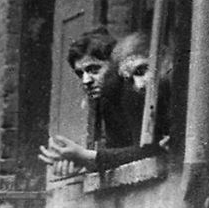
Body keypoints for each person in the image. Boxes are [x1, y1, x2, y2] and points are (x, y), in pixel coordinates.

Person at [40, 31, 171, 174]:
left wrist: (88, 156)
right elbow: (120, 153)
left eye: (94, 70)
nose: (86, 81)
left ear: (115, 65)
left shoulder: (136, 92)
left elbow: (150, 150)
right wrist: (86, 163)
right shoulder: (107, 102)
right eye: (80, 73)